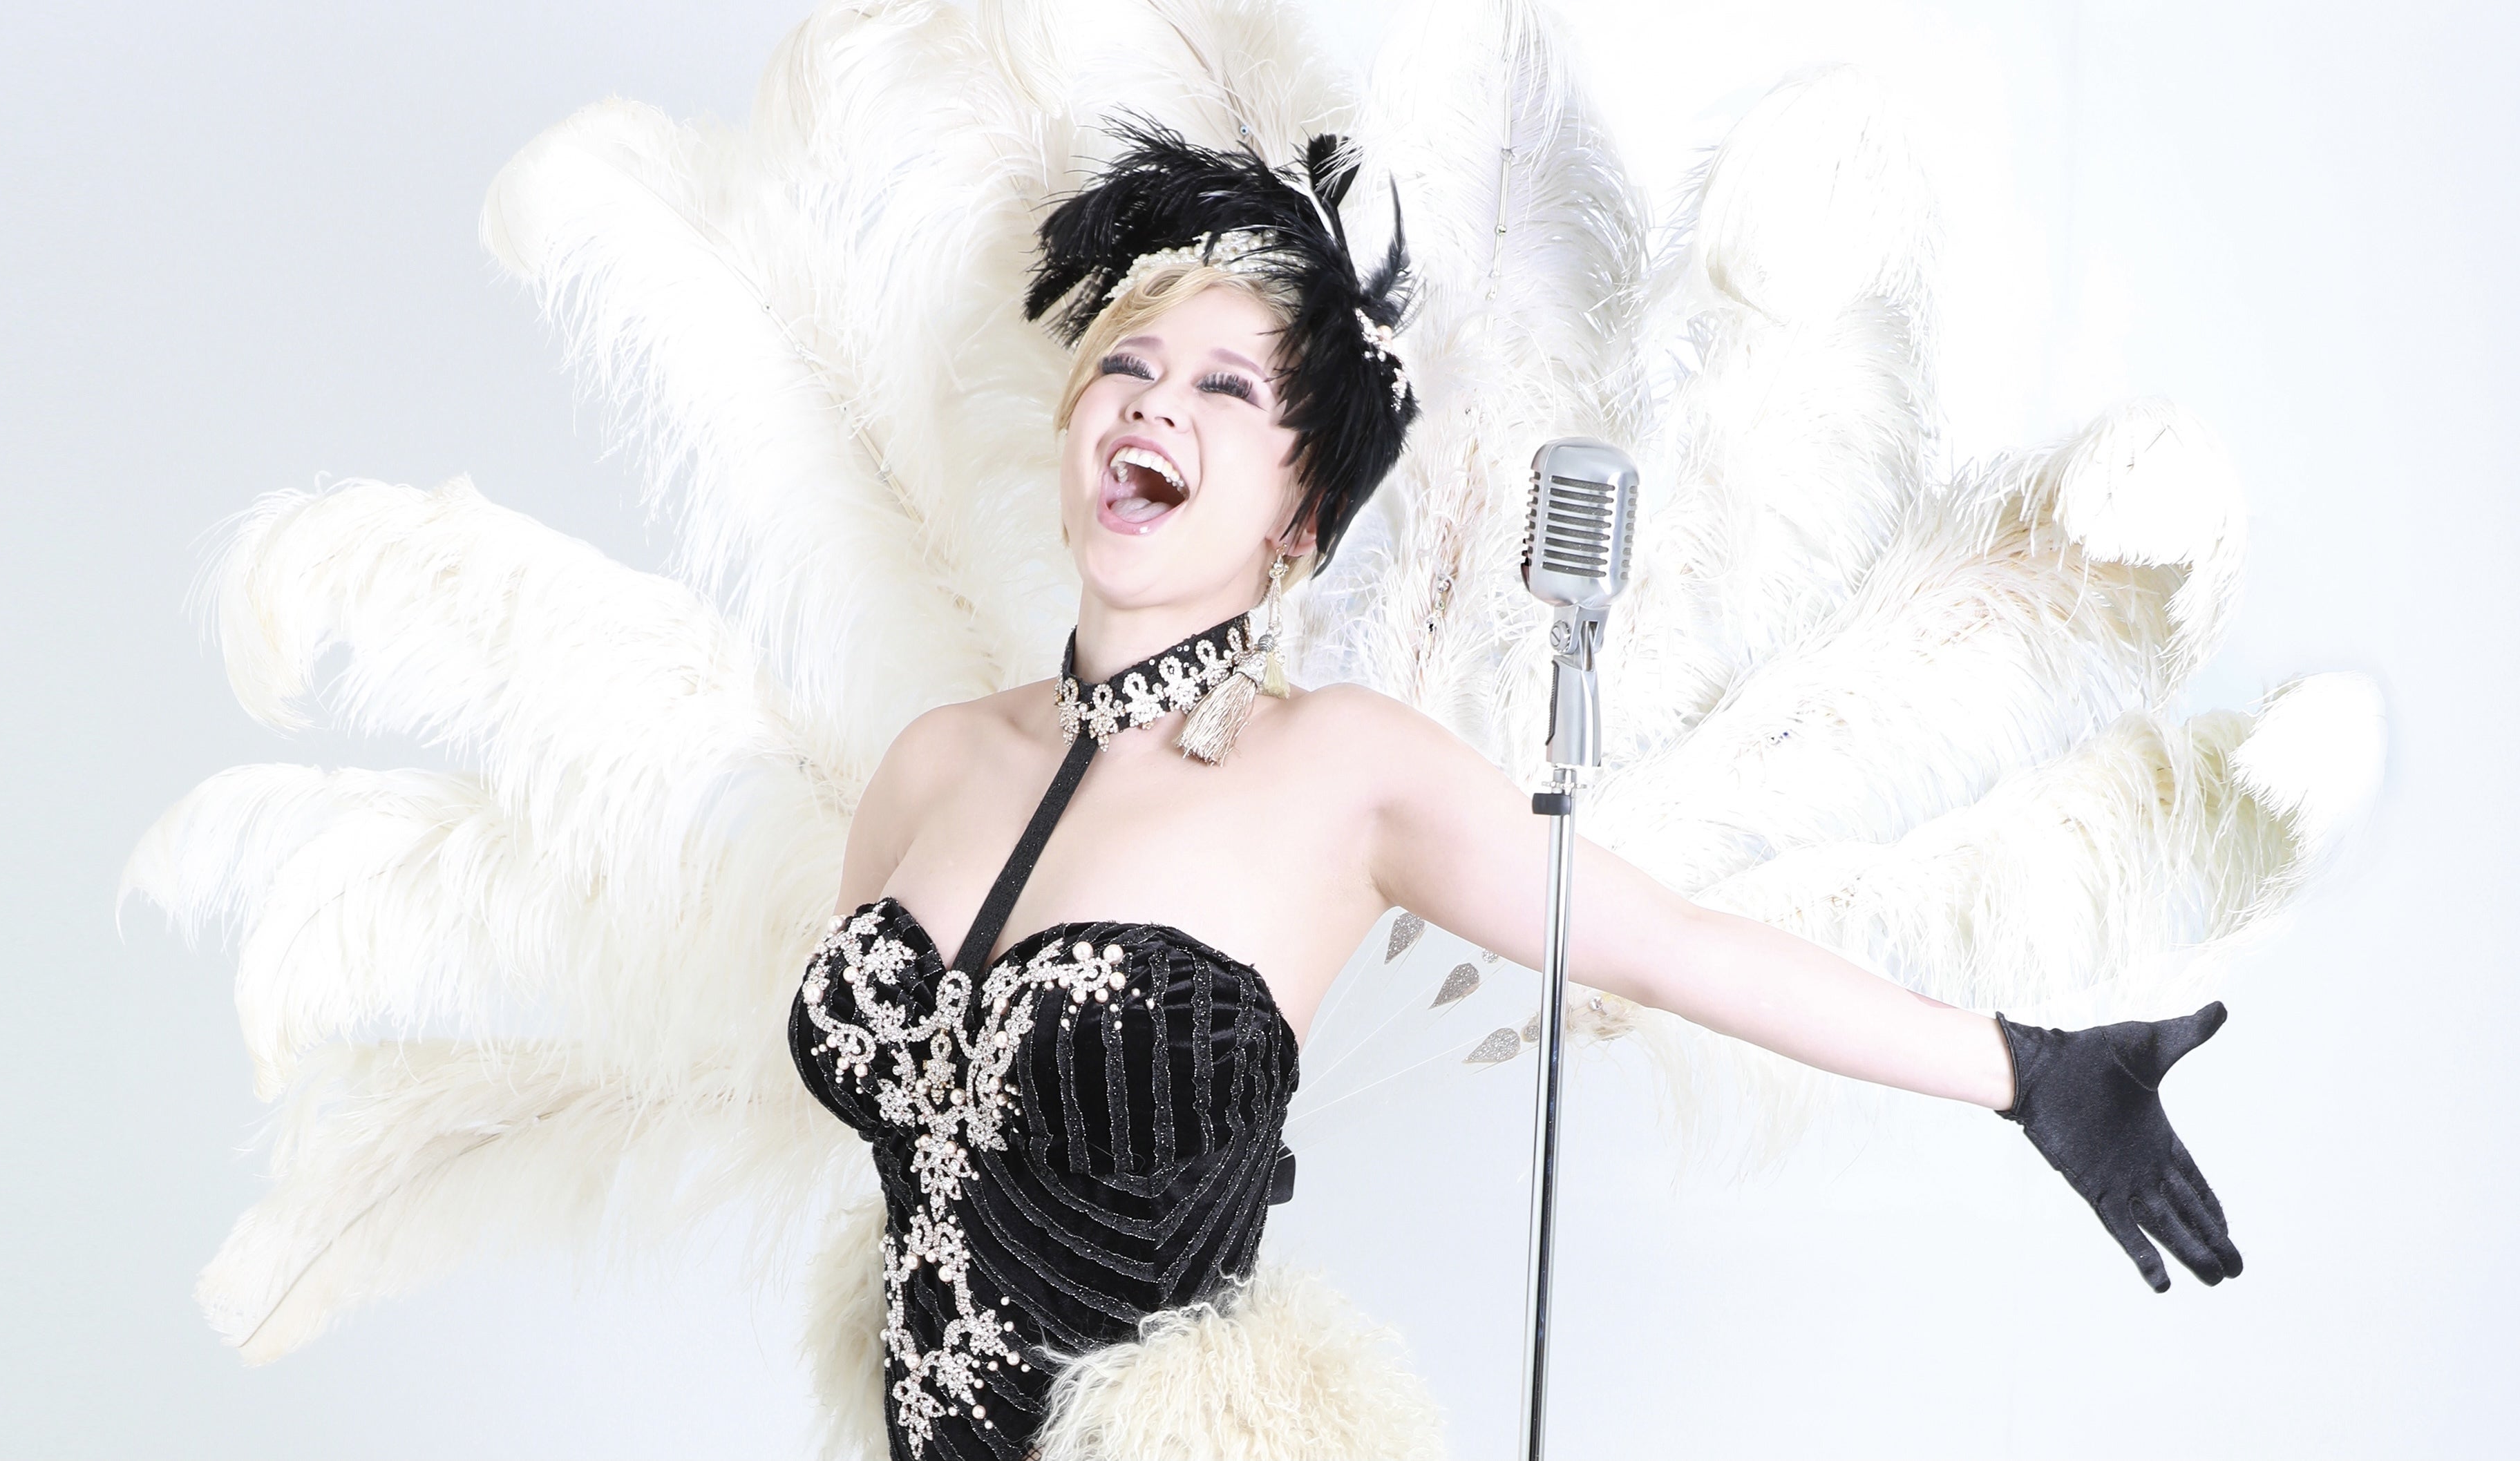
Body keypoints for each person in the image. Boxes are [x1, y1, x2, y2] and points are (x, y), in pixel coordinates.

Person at [787, 124, 2241, 1461]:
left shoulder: (1340, 770)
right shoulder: (935, 763)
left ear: (1299, 517)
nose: (1155, 403)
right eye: (1128, 366)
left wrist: (2027, 1068)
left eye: (1225, 388)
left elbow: (1670, 946)